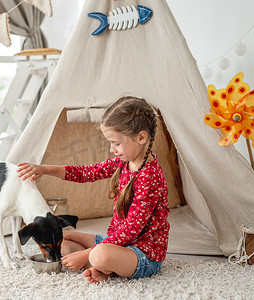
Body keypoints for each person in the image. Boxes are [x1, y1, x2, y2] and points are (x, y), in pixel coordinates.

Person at [17, 96, 169, 284]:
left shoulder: (149, 177)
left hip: (143, 254)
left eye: (116, 143)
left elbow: (130, 232)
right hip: (118, 243)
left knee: (99, 255)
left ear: (141, 137)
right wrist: (44, 169)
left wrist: (85, 256)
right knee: (61, 237)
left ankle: (96, 264)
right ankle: (102, 269)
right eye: (110, 143)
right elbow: (86, 173)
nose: (112, 149)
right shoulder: (125, 162)